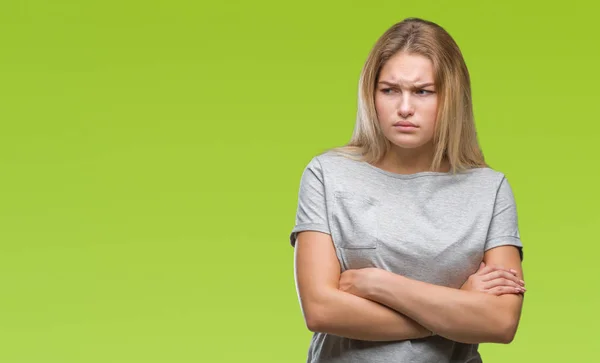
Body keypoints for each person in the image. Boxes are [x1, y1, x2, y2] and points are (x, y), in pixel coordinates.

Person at [288, 17, 526, 363]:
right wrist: (457, 304)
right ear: (371, 94)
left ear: (452, 97)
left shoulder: (490, 190)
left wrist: (379, 285)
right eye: (389, 90)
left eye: (422, 91)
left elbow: (501, 322)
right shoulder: (327, 175)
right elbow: (321, 310)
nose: (404, 108)